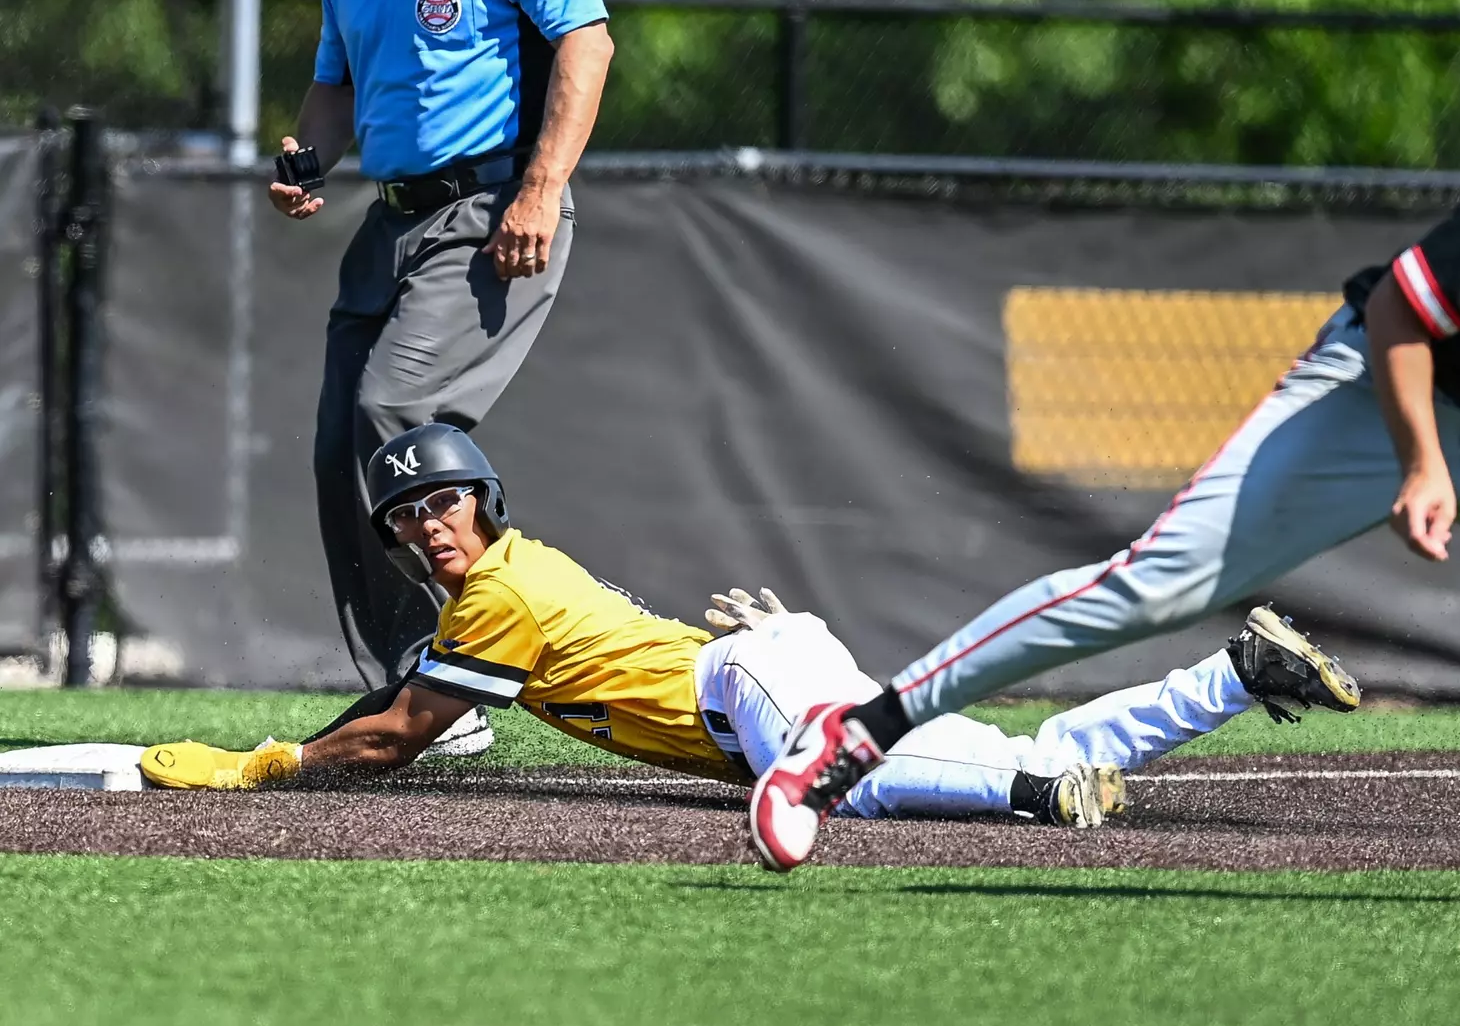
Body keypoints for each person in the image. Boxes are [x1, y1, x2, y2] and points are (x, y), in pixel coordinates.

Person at [750, 129, 1460, 872]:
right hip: (1372, 403)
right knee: (1153, 586)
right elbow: (1398, 315)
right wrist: (1422, 462)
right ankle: (860, 732)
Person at [137, 425, 1361, 828]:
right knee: (962, 756)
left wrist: (269, 765)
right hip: (767, 677)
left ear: (485, 502)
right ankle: (1233, 674)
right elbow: (402, 703)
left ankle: (1038, 800)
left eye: (445, 498)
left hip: (752, 690)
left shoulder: (498, 593)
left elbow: (398, 731)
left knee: (868, 780)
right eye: (407, 514)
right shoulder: (491, 591)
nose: (429, 523)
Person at [269, 0, 614, 712]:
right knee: (343, 447)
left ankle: (454, 675)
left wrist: (541, 192)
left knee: (393, 409)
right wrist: (308, 162)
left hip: (493, 208)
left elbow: (589, 43)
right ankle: (409, 678)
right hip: (390, 220)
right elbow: (336, 88)